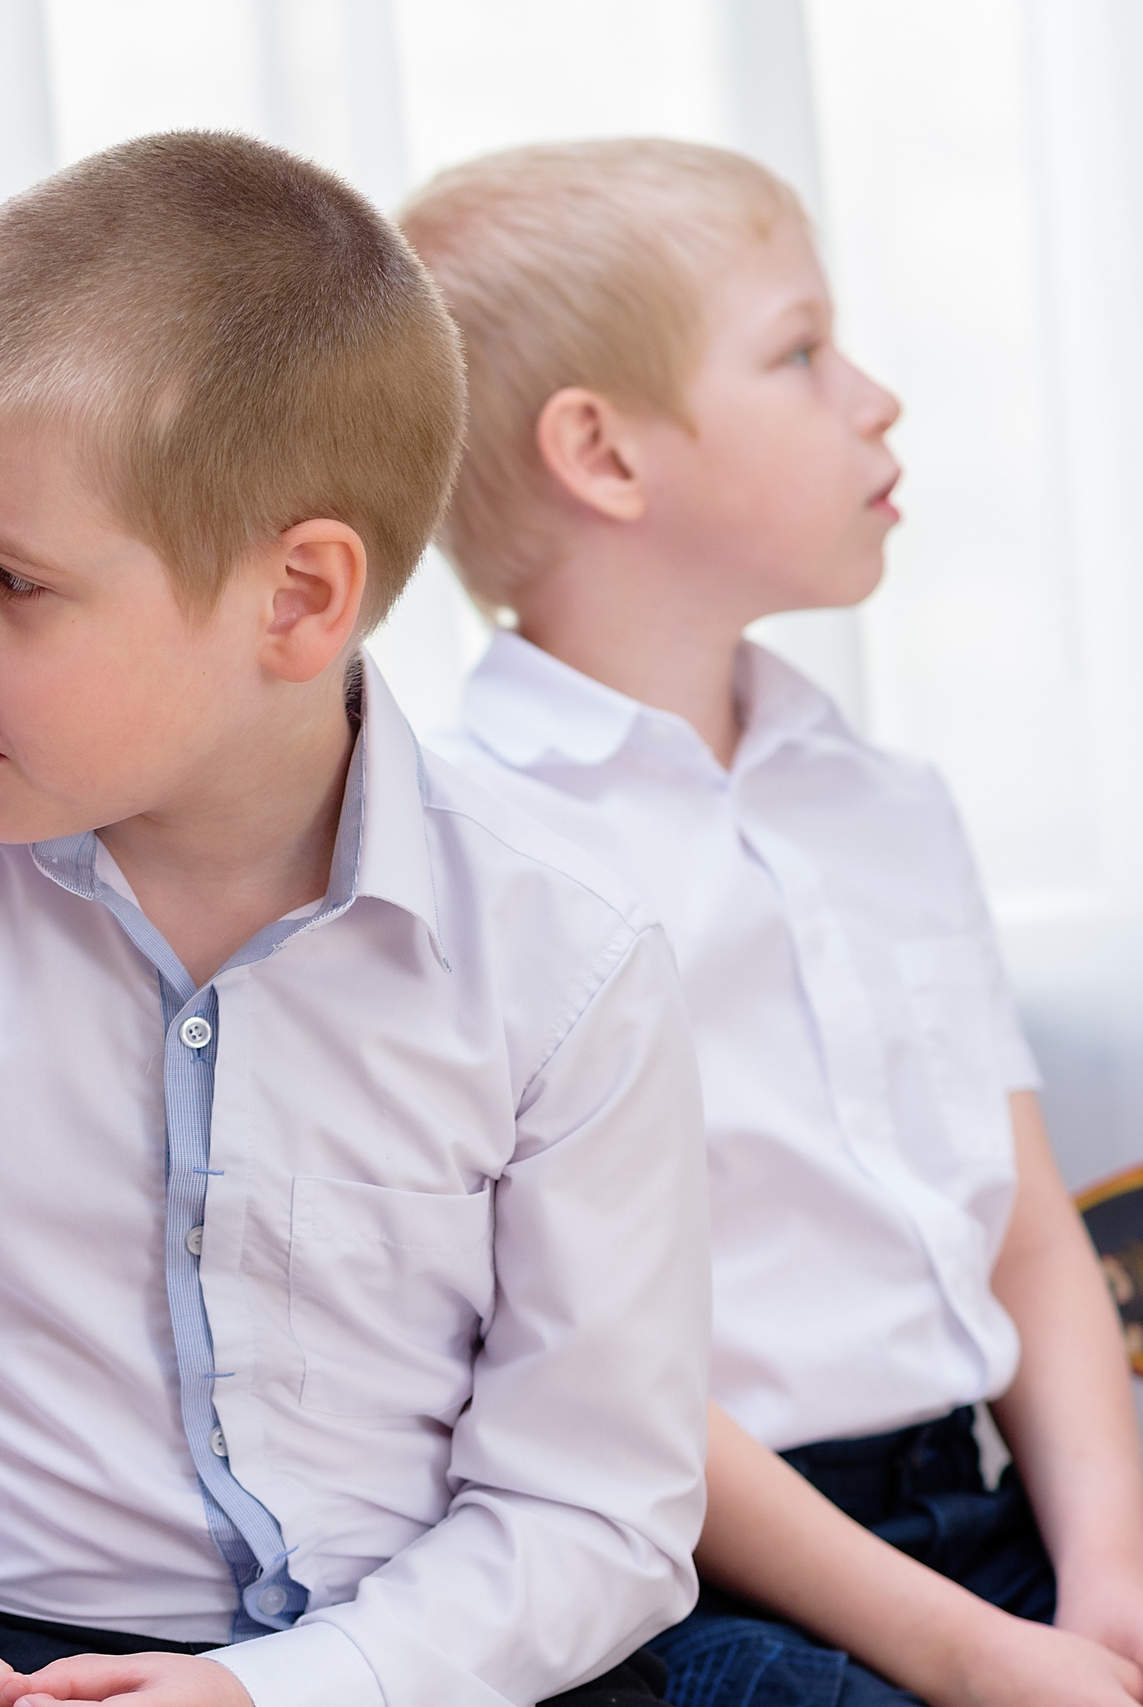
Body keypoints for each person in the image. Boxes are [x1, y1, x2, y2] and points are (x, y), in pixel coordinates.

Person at [0, 132, 711, 1707]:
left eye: (9, 579)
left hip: (411, 1670)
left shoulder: (567, 957)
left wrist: (278, 1693)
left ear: (296, 599)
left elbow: (592, 1513)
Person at [404, 139, 1143, 1707]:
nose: (874, 396)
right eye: (801, 353)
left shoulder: (887, 802)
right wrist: (972, 1653)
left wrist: (1107, 1582)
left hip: (996, 1510)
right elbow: (609, 1390)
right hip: (702, 1576)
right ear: (602, 455)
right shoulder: (472, 863)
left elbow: (1023, 1227)